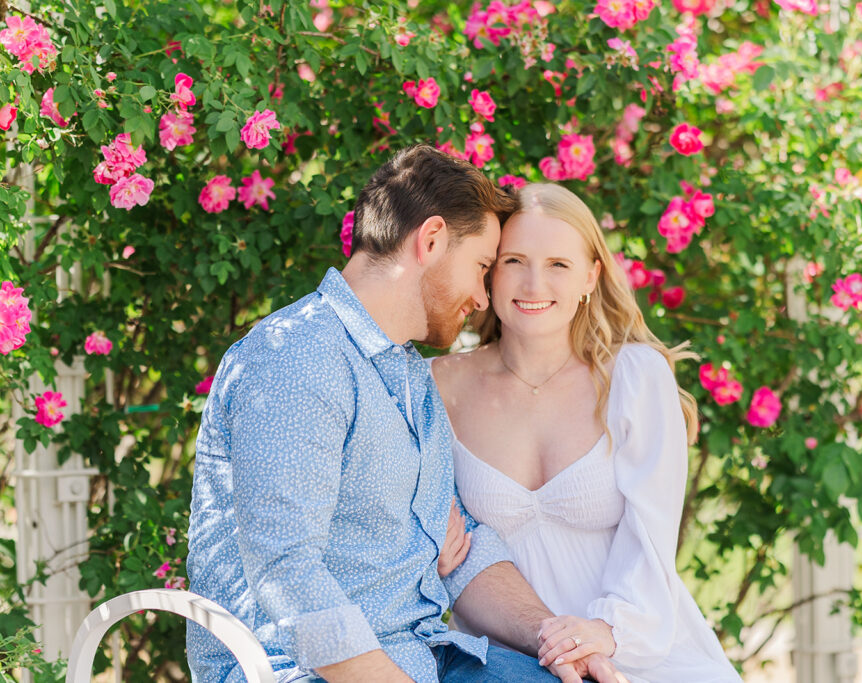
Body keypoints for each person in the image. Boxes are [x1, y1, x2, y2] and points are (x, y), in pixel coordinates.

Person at [186, 147, 625, 683]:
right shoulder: (298, 358)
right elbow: (287, 572)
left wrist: (553, 638)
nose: (485, 299)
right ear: (432, 240)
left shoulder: (410, 375)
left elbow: (463, 550)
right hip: (298, 671)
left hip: (421, 654)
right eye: (483, 266)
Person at [430, 183, 743, 683]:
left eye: (558, 264)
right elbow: (441, 546)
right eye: (514, 261)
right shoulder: (437, 387)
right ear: (489, 271)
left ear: (591, 277)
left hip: (638, 654)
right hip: (512, 664)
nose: (533, 284)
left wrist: (604, 630)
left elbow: (650, 540)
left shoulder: (634, 378)